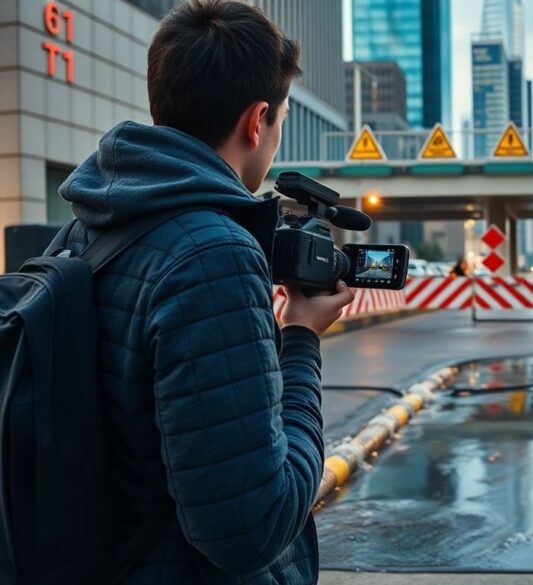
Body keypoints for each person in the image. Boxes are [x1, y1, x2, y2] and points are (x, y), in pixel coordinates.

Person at [55, 1, 352, 582]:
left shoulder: (84, 228)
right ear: (257, 120)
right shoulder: (214, 253)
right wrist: (300, 338)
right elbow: (249, 530)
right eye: (282, 121)